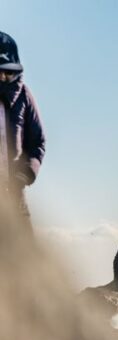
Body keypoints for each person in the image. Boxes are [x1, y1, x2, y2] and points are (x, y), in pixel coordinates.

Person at [0, 32, 45, 228]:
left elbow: (37, 142)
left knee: (22, 256)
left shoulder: (24, 96)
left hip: (15, 197)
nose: (2, 77)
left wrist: (27, 172)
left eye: (8, 72)